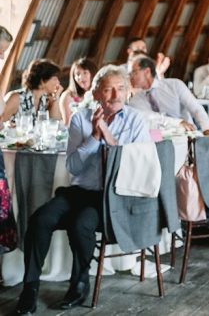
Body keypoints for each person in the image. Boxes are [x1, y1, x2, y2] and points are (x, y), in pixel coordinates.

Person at [15, 65, 149, 314]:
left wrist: (107, 135)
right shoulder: (80, 118)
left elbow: (133, 166)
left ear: (128, 92)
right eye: (108, 90)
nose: (115, 96)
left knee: (82, 225)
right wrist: (94, 137)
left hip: (111, 195)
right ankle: (30, 287)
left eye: (120, 89)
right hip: (78, 191)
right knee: (40, 219)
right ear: (96, 93)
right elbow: (74, 166)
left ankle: (79, 282)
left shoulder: (136, 120)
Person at [127, 55, 209, 134]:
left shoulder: (174, 85)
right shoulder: (135, 101)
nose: (130, 77)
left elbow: (196, 109)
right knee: (152, 133)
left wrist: (207, 131)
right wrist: (177, 123)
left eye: (133, 72)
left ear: (147, 72)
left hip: (186, 133)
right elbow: (151, 118)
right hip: (157, 138)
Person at [3, 58, 62, 123]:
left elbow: (54, 123)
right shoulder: (16, 98)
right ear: (42, 81)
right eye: (55, 79)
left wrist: (56, 98)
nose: (58, 83)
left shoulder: (46, 100)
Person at [59, 58, 97, 125]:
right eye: (77, 74)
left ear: (93, 74)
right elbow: (67, 124)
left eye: (85, 72)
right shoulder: (67, 96)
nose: (81, 77)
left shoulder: (98, 93)